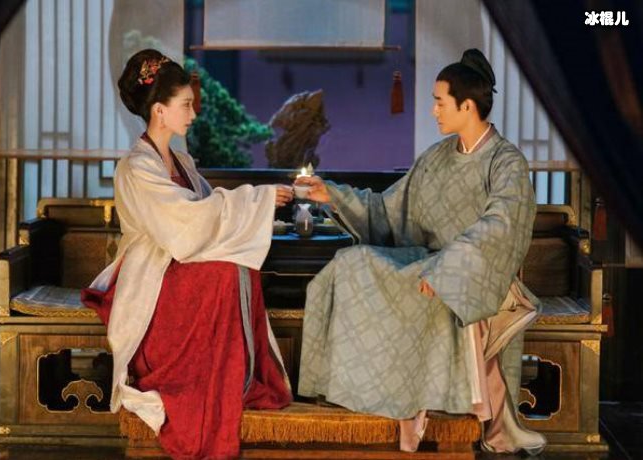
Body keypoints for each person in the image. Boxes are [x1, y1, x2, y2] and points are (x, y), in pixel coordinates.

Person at [295, 49, 547, 455]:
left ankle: (434, 404)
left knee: (421, 286)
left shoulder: (506, 163)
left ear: (467, 106)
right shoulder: (437, 156)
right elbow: (388, 209)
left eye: (439, 102)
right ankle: (348, 391)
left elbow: (500, 226)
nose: (433, 111)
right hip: (425, 263)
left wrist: (448, 269)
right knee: (349, 263)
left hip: (470, 278)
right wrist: (334, 196)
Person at [81, 49, 293, 459]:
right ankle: (197, 381)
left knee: (236, 265)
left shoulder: (180, 160)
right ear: (159, 111)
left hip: (176, 266)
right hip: (150, 276)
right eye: (185, 105)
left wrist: (260, 208)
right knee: (223, 272)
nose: (193, 114)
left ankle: (228, 379)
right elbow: (185, 223)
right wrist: (258, 199)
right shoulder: (137, 166)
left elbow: (206, 213)